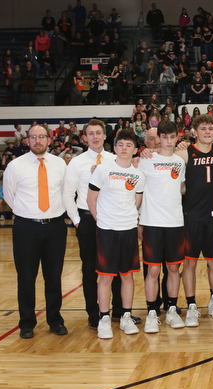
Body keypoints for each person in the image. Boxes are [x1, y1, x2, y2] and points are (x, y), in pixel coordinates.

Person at [63, 119, 135, 330]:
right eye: (90, 133)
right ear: (84, 137)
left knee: (117, 268)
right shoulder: (77, 162)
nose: (95, 137)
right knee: (89, 270)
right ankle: (94, 314)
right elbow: (68, 194)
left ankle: (119, 311)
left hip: (113, 219)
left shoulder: (117, 159)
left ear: (105, 136)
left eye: (98, 133)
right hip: (87, 219)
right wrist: (77, 220)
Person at [3, 124, 68, 339]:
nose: (37, 140)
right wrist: (28, 213)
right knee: (26, 277)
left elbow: (64, 193)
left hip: (55, 227)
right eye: (33, 137)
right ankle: (27, 323)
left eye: (41, 136)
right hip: (26, 227)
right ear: (27, 140)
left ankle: (55, 320)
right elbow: (10, 197)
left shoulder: (60, 164)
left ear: (49, 139)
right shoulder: (15, 166)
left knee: (54, 276)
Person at [175, 115, 213, 326]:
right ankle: (192, 306)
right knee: (189, 264)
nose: (208, 132)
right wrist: (143, 154)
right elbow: (163, 156)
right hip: (191, 217)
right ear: (195, 132)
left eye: (211, 129)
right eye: (203, 129)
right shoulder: (185, 152)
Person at [87, 129, 145, 339]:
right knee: (105, 277)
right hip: (107, 230)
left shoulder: (138, 175)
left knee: (127, 275)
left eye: (129, 145)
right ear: (115, 147)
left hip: (128, 230)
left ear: (135, 150)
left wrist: (129, 218)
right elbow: (91, 199)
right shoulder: (102, 170)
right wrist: (100, 220)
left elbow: (137, 202)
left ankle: (126, 316)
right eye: (120, 144)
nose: (124, 148)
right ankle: (104, 319)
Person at [138, 122, 186, 332]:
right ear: (159, 138)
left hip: (175, 222)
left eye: (172, 137)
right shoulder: (145, 160)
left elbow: (182, 188)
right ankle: (151, 312)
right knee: (153, 270)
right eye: (164, 137)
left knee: (173, 268)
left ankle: (172, 309)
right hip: (152, 223)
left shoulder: (179, 162)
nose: (168, 141)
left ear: (177, 138)